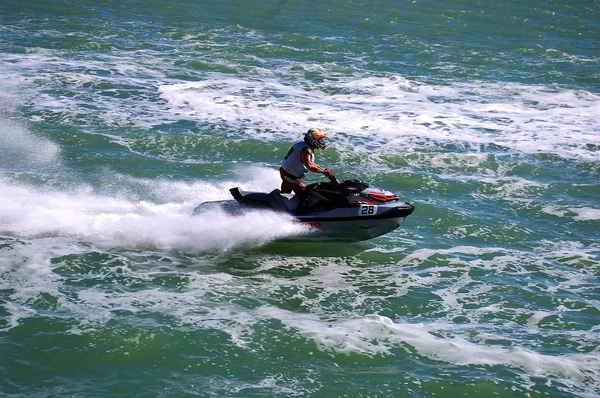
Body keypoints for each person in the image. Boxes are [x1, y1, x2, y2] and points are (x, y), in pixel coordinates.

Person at [280, 128, 335, 214]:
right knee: (305, 196)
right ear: (313, 140)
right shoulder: (306, 150)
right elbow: (309, 165)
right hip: (289, 175)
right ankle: (299, 217)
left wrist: (323, 170)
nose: (321, 142)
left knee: (285, 195)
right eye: (319, 140)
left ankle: (281, 209)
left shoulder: (304, 146)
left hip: (286, 172)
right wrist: (323, 172)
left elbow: (312, 164)